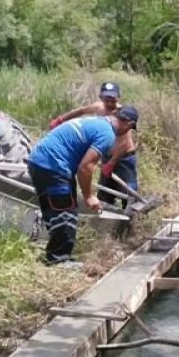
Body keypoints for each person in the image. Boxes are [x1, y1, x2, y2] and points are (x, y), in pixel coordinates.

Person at [28, 105, 140, 266]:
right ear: (128, 124)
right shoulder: (107, 134)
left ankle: (53, 253)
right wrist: (88, 196)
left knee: (53, 209)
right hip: (54, 165)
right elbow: (85, 167)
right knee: (65, 212)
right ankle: (59, 259)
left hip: (38, 161)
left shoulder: (95, 121)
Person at [48, 82, 140, 211]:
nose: (110, 104)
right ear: (101, 98)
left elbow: (125, 144)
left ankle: (130, 217)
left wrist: (112, 163)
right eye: (107, 100)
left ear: (118, 98)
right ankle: (107, 217)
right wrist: (60, 120)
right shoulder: (98, 108)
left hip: (123, 158)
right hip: (107, 155)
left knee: (128, 190)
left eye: (113, 100)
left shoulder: (123, 115)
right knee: (105, 189)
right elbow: (80, 111)